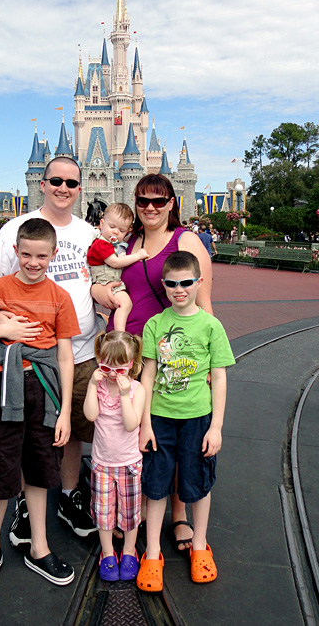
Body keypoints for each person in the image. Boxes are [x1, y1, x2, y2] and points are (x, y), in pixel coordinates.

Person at [0, 156, 117, 540]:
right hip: (32, 359)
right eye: (56, 180)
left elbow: (98, 278)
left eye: (72, 183)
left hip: (82, 351)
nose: (63, 189)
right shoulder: (14, 231)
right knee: (26, 431)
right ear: (42, 183)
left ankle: (70, 494)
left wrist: (105, 292)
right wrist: (5, 326)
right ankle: (25, 500)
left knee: (70, 428)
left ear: (81, 186)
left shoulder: (90, 234)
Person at [0, 218, 79, 593]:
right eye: (26, 254)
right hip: (5, 386)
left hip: (44, 390)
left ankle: (39, 547)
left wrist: (66, 412)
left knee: (41, 466)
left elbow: (65, 357)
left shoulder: (59, 297)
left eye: (41, 256)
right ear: (16, 252)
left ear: (53, 255)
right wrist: (1, 330)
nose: (33, 262)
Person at [107, 173, 213, 553]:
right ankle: (135, 508)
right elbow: (107, 277)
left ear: (172, 202)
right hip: (126, 351)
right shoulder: (129, 241)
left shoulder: (186, 242)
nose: (150, 208)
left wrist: (208, 369)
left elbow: (204, 305)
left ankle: (179, 513)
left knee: (177, 432)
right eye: (142, 201)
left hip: (171, 353)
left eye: (158, 200)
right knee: (134, 434)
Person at [137, 251, 234, 592]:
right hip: (161, 418)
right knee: (156, 483)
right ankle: (151, 553)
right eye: (172, 284)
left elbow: (219, 377)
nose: (180, 290)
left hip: (197, 418)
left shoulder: (210, 325)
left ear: (198, 282)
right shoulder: (155, 324)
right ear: (164, 285)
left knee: (198, 483)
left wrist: (217, 426)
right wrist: (144, 423)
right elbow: (147, 374)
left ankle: (199, 545)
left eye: (186, 283)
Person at [83, 331, 146, 581]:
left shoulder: (136, 389)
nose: (112, 373)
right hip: (102, 463)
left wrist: (123, 395)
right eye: (106, 366)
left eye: (120, 369)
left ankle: (129, 552)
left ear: (131, 364)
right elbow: (90, 415)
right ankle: (108, 553)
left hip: (129, 462)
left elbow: (132, 424)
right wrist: (90, 384)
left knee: (130, 512)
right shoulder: (98, 386)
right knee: (103, 511)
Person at [87, 203, 149, 331]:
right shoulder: (101, 244)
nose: (115, 231)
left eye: (121, 230)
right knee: (125, 303)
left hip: (110, 281)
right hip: (106, 281)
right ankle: (120, 332)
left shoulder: (113, 244)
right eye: (112, 226)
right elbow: (115, 262)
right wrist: (138, 255)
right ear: (102, 224)